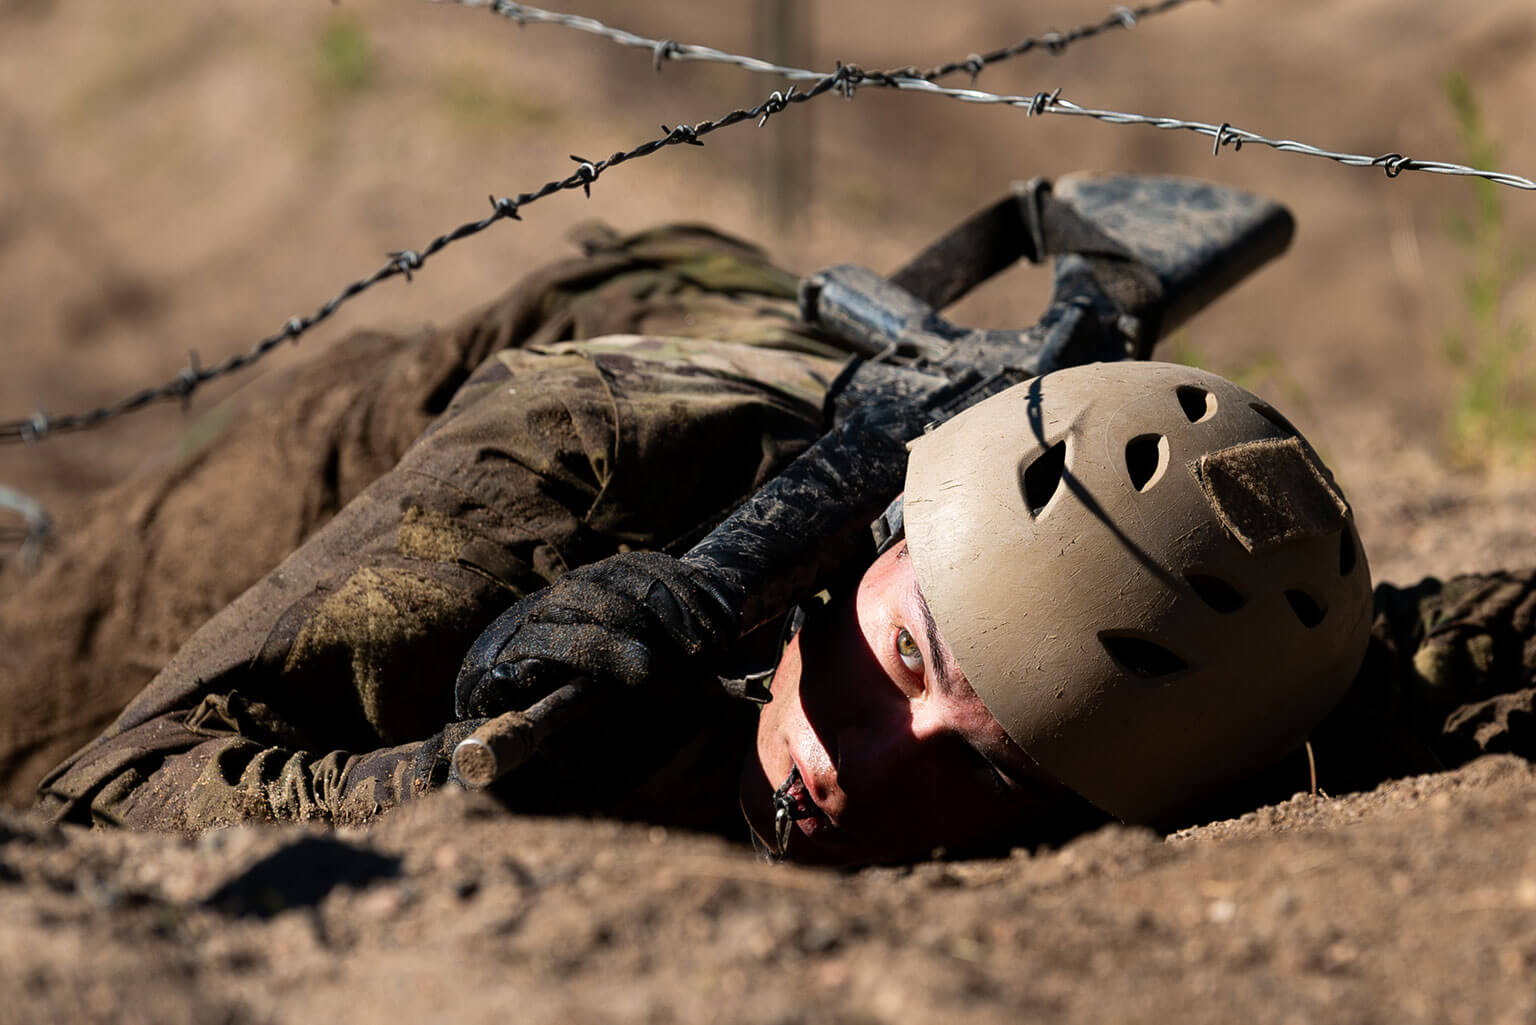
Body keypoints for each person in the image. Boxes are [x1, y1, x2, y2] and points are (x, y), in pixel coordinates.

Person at [17, 221, 1536, 866]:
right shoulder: (569, 465)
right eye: (899, 660)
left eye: (987, 767)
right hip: (563, 370)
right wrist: (438, 782)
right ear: (876, 536)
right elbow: (102, 799)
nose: (862, 765)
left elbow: (1462, 636)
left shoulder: (1196, 686)